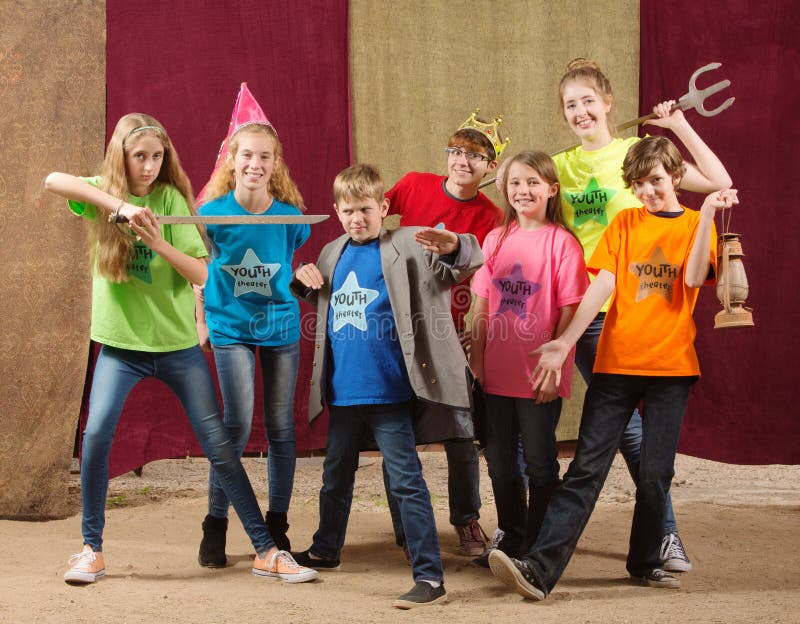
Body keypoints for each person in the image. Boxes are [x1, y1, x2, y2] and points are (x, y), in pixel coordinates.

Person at [45, 113, 317, 585]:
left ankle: (266, 549)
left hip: (176, 348)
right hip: (120, 348)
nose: (149, 167)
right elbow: (54, 180)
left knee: (220, 443)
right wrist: (120, 207)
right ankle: (91, 549)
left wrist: (154, 236)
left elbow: (201, 274)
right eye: (139, 157)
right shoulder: (105, 197)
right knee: (95, 437)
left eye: (157, 157)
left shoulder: (173, 200)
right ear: (121, 158)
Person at [497, 58, 733, 572]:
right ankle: (653, 539)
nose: (580, 111)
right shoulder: (560, 166)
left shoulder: (636, 153)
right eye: (570, 105)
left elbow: (718, 180)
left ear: (608, 103)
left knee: (626, 435)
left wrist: (677, 125)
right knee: (621, 431)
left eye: (588, 100)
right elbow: (524, 197)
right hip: (583, 309)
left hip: (642, 312)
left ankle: (658, 537)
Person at [289, 163, 483, 608]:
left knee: (406, 482)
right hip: (343, 391)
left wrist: (455, 245)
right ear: (337, 211)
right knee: (334, 477)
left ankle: (429, 576)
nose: (357, 219)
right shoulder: (332, 252)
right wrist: (299, 275)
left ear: (384, 207)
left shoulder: (406, 244)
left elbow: (465, 260)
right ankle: (326, 548)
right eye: (348, 210)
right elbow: (309, 288)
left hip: (390, 392)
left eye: (366, 210)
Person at [382, 110, 508, 557]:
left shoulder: (491, 216)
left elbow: (488, 280)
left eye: (475, 156)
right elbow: (372, 213)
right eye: (457, 151)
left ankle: (467, 520)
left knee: (459, 431)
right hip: (398, 325)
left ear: (490, 168)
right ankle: (405, 522)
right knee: (394, 426)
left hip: (448, 333)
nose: (463, 161)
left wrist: (478, 330)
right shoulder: (415, 183)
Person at [194, 91, 310, 566]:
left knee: (281, 425)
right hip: (230, 327)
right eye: (247, 155)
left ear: (275, 163)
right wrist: (200, 320)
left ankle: (276, 523)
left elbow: (293, 262)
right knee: (236, 424)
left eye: (265, 157)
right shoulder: (211, 215)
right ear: (232, 159)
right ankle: (216, 523)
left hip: (279, 326)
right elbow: (198, 271)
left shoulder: (290, 216)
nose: (255, 164)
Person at [469, 150, 588, 567]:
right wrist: (479, 364)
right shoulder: (496, 240)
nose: (523, 190)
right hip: (496, 375)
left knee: (539, 463)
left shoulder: (563, 244)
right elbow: (481, 305)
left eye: (533, 182)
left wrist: (554, 367)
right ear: (505, 188)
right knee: (500, 463)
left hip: (539, 375)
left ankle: (539, 545)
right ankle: (512, 537)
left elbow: (572, 310)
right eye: (516, 183)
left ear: (551, 189)